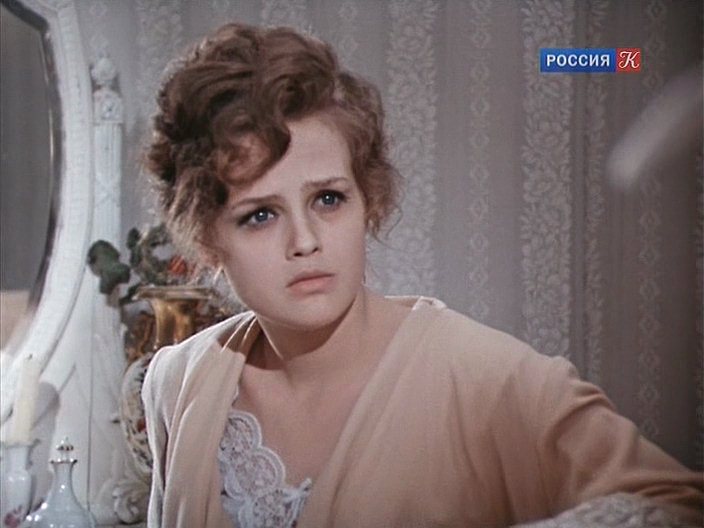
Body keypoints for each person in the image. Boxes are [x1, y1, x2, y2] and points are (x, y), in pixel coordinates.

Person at [141, 22, 702, 528]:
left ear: (367, 199)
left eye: (329, 199)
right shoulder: (177, 381)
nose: (305, 241)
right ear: (208, 239)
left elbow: (676, 505)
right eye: (260, 215)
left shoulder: (490, 381)